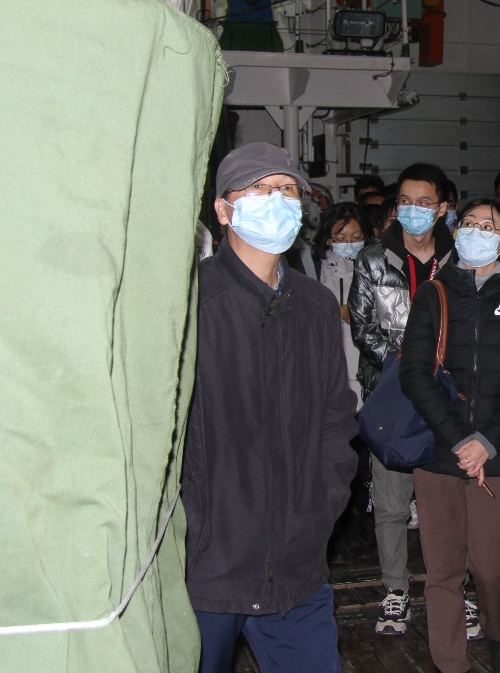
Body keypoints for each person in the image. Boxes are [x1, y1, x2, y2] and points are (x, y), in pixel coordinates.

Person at [184, 142, 359, 673]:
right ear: (223, 210)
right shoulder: (192, 304)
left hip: (296, 567)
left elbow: (336, 417)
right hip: (210, 568)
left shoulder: (316, 305)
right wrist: (194, 525)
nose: (276, 200)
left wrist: (320, 506)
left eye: (286, 190)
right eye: (258, 190)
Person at [400, 198, 500, 673]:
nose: (475, 231)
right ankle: (451, 663)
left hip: (499, 454)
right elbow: (415, 374)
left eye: (488, 226)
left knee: (492, 568)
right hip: (439, 452)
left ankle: (499, 631)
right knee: (442, 570)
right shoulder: (433, 294)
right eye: (468, 223)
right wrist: (460, 440)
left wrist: (487, 441)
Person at [348, 164, 469, 639]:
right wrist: (409, 368)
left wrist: (439, 372)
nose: (413, 210)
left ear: (442, 209)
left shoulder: (461, 259)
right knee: (392, 503)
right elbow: (363, 327)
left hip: (447, 396)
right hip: (392, 395)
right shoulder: (373, 259)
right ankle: (395, 589)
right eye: (405, 202)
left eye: (424, 202)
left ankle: (455, 589)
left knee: (449, 502)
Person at [315, 201, 374, 408]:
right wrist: (337, 311)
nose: (349, 244)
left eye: (356, 238)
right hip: (329, 365)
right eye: (340, 239)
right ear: (328, 239)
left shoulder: (377, 266)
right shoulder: (314, 268)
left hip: (368, 365)